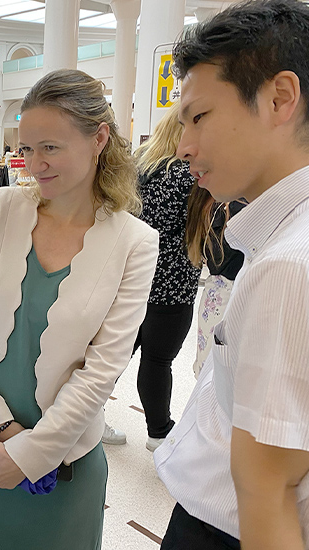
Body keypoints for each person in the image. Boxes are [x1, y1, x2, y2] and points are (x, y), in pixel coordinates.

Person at [0, 69, 158, 549]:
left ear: (98, 139)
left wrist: (31, 453)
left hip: (64, 458)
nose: (35, 164)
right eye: (27, 148)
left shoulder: (135, 243)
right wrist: (1, 430)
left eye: (50, 147)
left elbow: (104, 368)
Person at [155, 2, 309, 548]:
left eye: (199, 117)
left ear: (279, 98)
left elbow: (270, 496)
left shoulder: (289, 265)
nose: (184, 147)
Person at [124, 103, 201, 452]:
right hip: (173, 284)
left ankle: (85, 419)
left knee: (114, 354)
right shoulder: (188, 177)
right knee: (157, 360)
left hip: (131, 277)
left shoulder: (138, 168)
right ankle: (158, 430)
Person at [184, 185, 246, 377]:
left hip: (217, 293)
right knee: (217, 370)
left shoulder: (212, 205)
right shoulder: (231, 208)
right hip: (227, 294)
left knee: (210, 366)